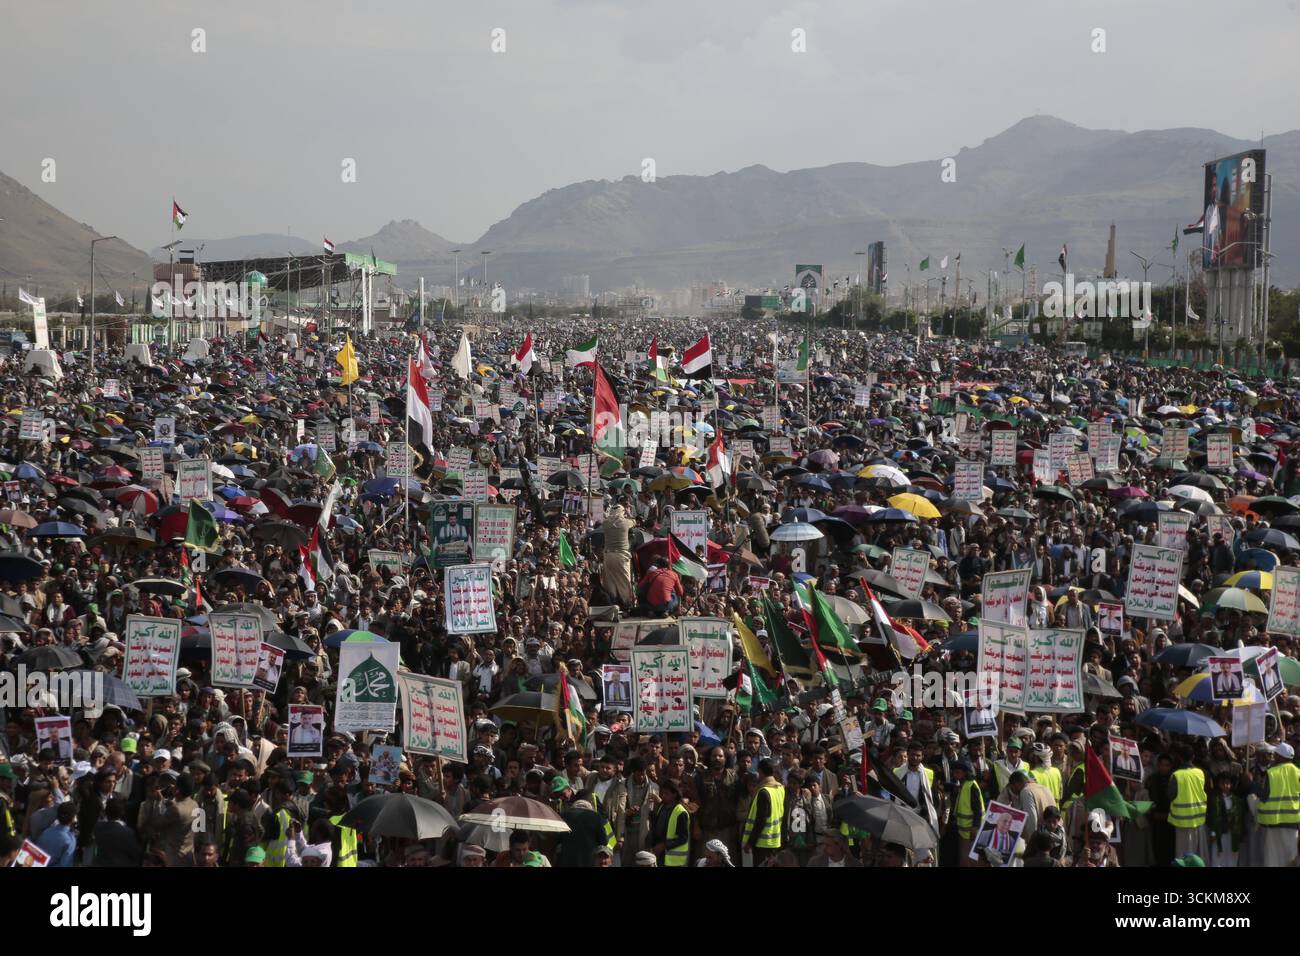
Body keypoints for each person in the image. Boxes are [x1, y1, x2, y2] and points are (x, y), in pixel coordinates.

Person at [1253, 742, 1299, 867]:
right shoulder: (1298, 772)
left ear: (1280, 757)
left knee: (1273, 861)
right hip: (1293, 825)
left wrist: (1251, 784)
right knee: (1290, 861)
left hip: (1273, 825)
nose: (1273, 757)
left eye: (1275, 755)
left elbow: (1263, 795)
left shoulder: (1271, 772)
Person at [743, 759, 784, 867]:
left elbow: (760, 820)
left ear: (760, 772)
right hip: (775, 840)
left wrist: (750, 843)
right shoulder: (780, 787)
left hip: (762, 843)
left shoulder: (764, 792)